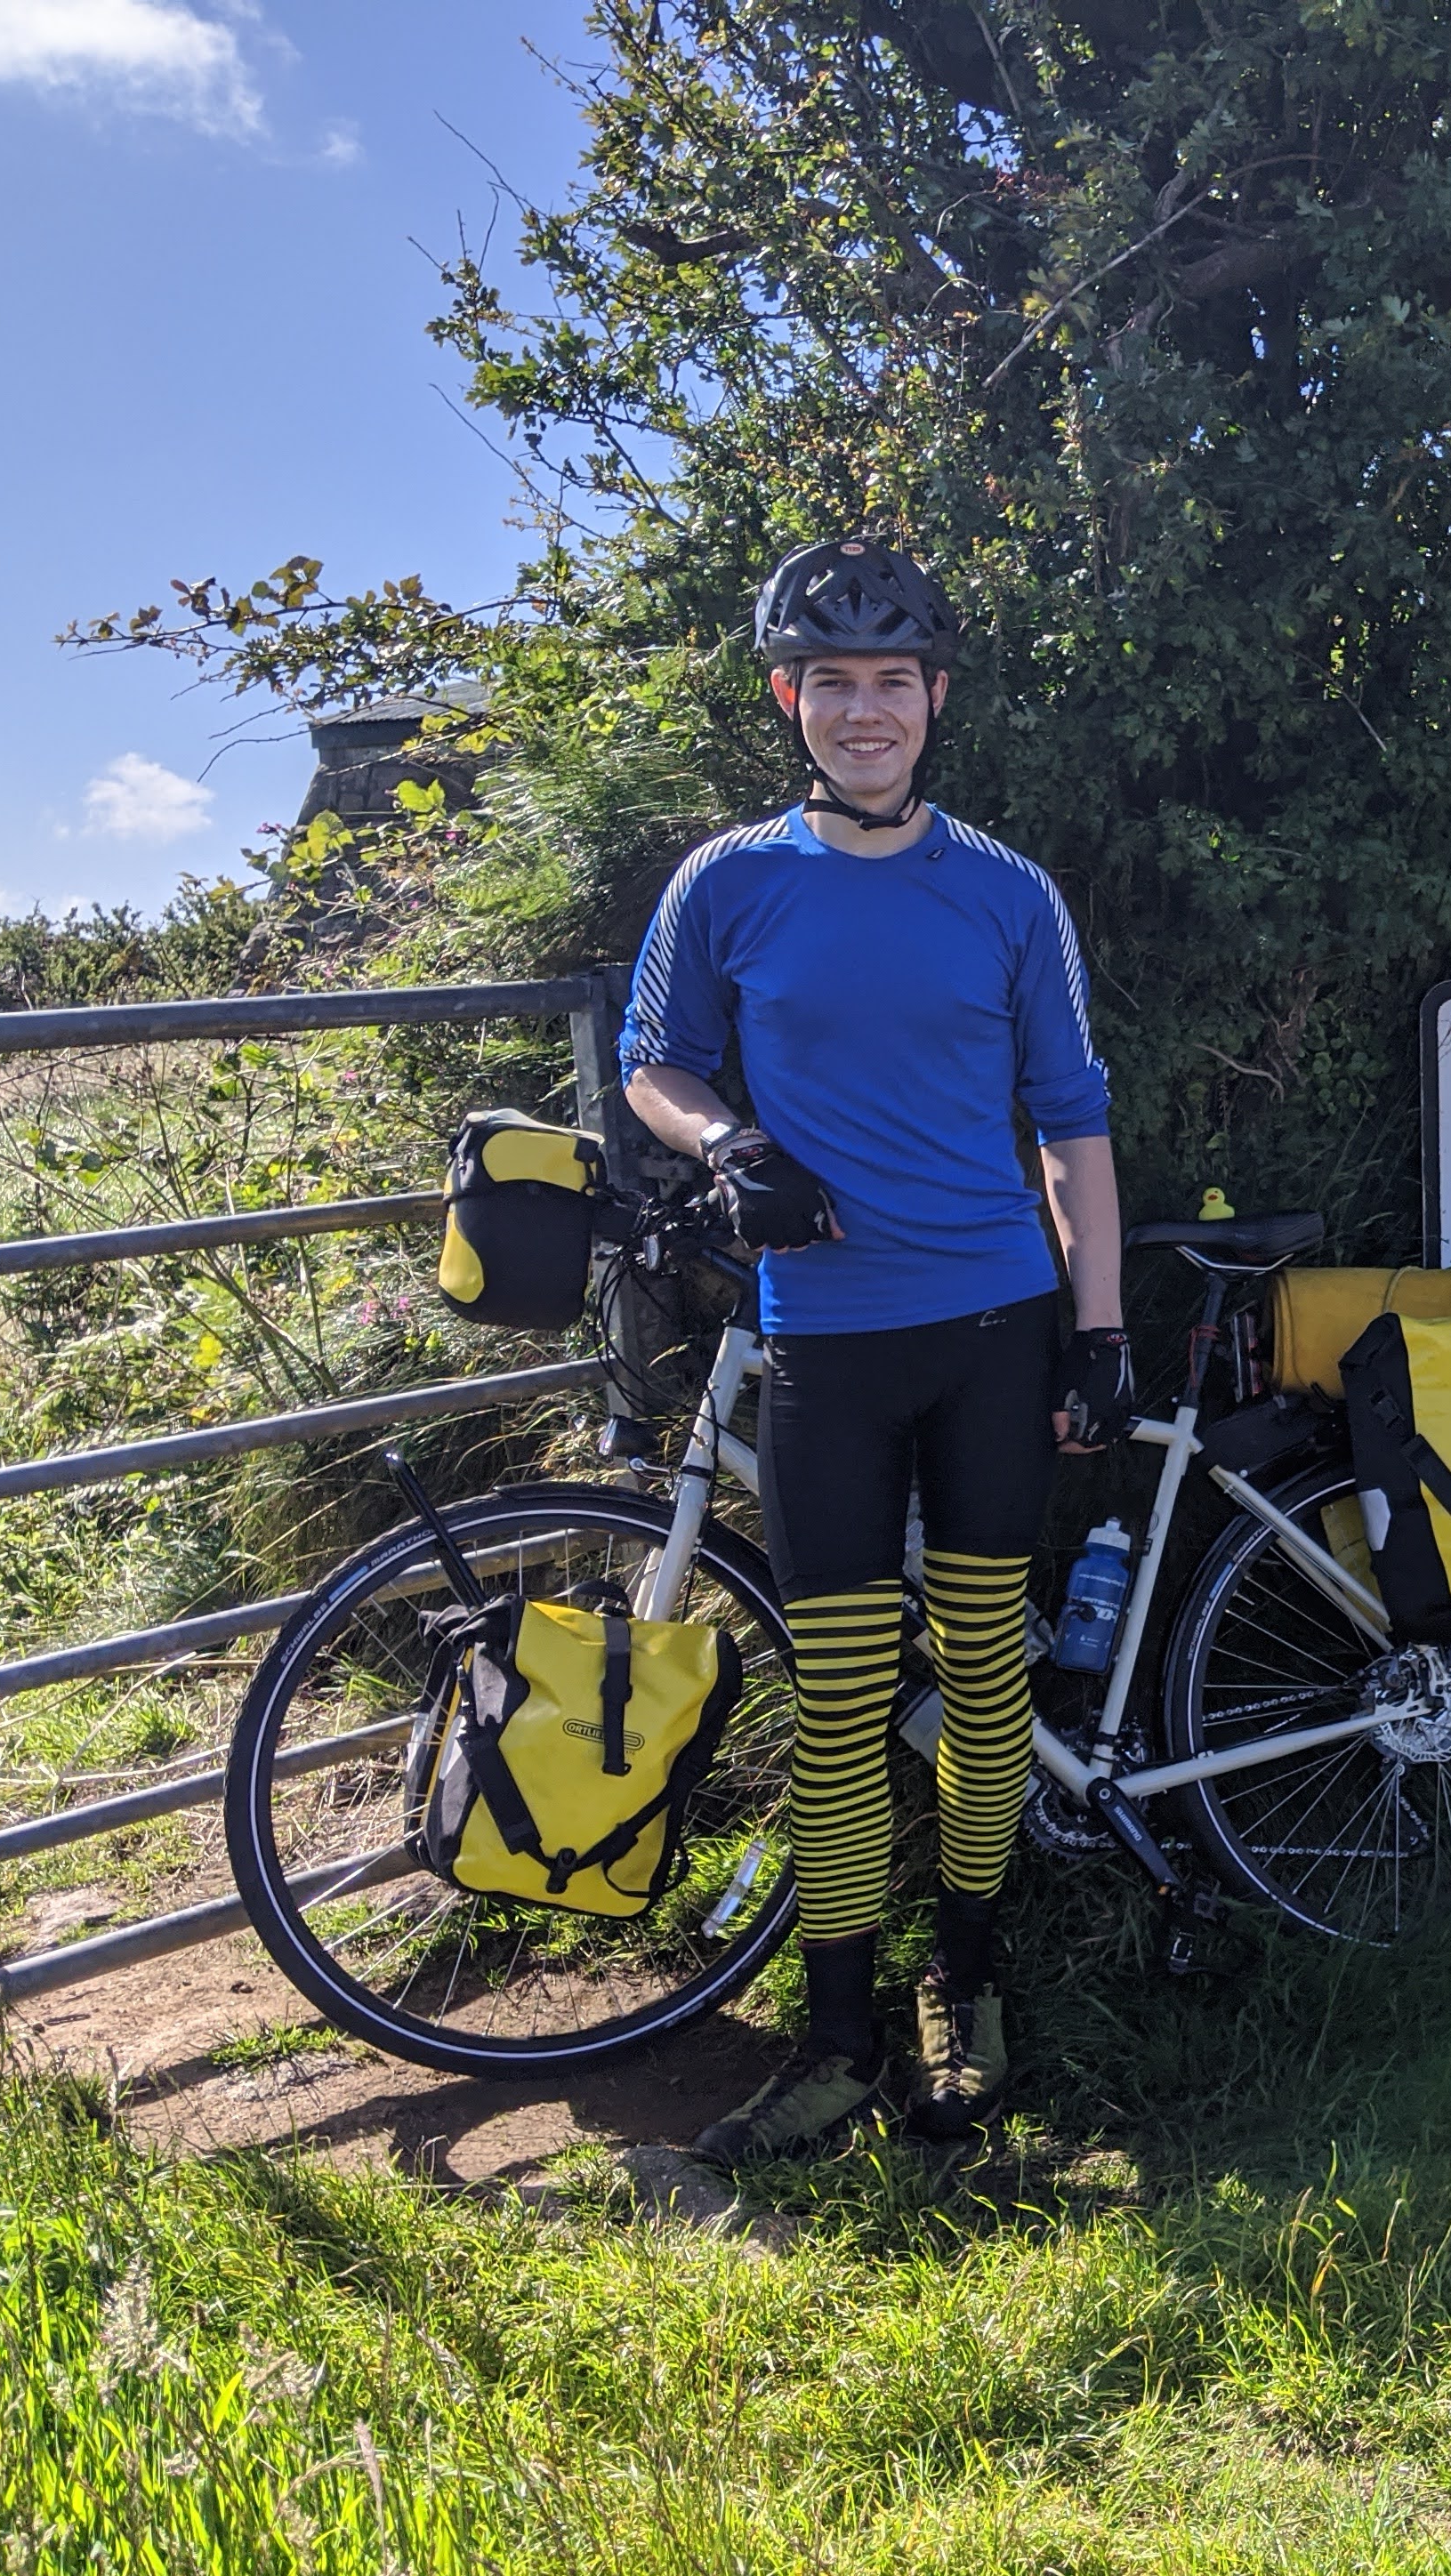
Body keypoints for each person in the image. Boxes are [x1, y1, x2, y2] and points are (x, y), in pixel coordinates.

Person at [618, 534, 1136, 2166]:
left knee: (983, 1678)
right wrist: (727, 1142)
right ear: (789, 699)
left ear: (935, 701)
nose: (863, 711)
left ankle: (963, 1989)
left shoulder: (1008, 892)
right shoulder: (725, 883)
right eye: (830, 681)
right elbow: (653, 1063)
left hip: (993, 1332)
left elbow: (1071, 1125)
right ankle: (837, 2041)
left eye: (891, 682)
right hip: (826, 1343)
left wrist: (1100, 1328)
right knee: (840, 1699)